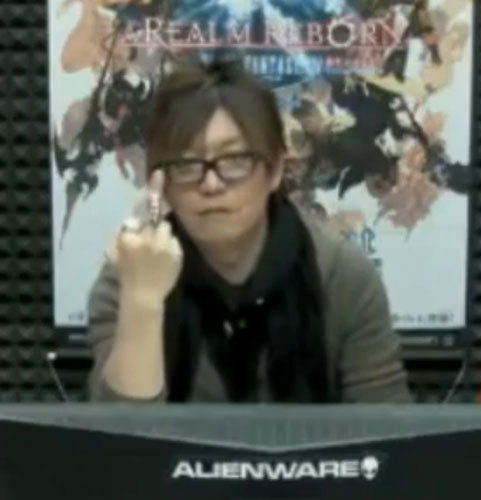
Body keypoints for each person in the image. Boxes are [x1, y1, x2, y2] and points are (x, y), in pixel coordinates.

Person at [86, 58, 411, 403]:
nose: (211, 184)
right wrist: (142, 302)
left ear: (276, 170)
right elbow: (120, 432)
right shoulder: (132, 275)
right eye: (186, 165)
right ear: (160, 182)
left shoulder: (341, 275)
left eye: (234, 161)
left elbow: (385, 426)